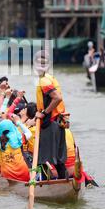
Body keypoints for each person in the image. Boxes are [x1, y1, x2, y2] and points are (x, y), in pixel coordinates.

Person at [35, 51, 68, 180]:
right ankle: (64, 183)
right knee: (60, 161)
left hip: (50, 123)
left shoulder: (44, 80)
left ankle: (46, 186)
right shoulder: (51, 78)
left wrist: (44, 113)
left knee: (41, 158)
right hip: (59, 123)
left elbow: (57, 98)